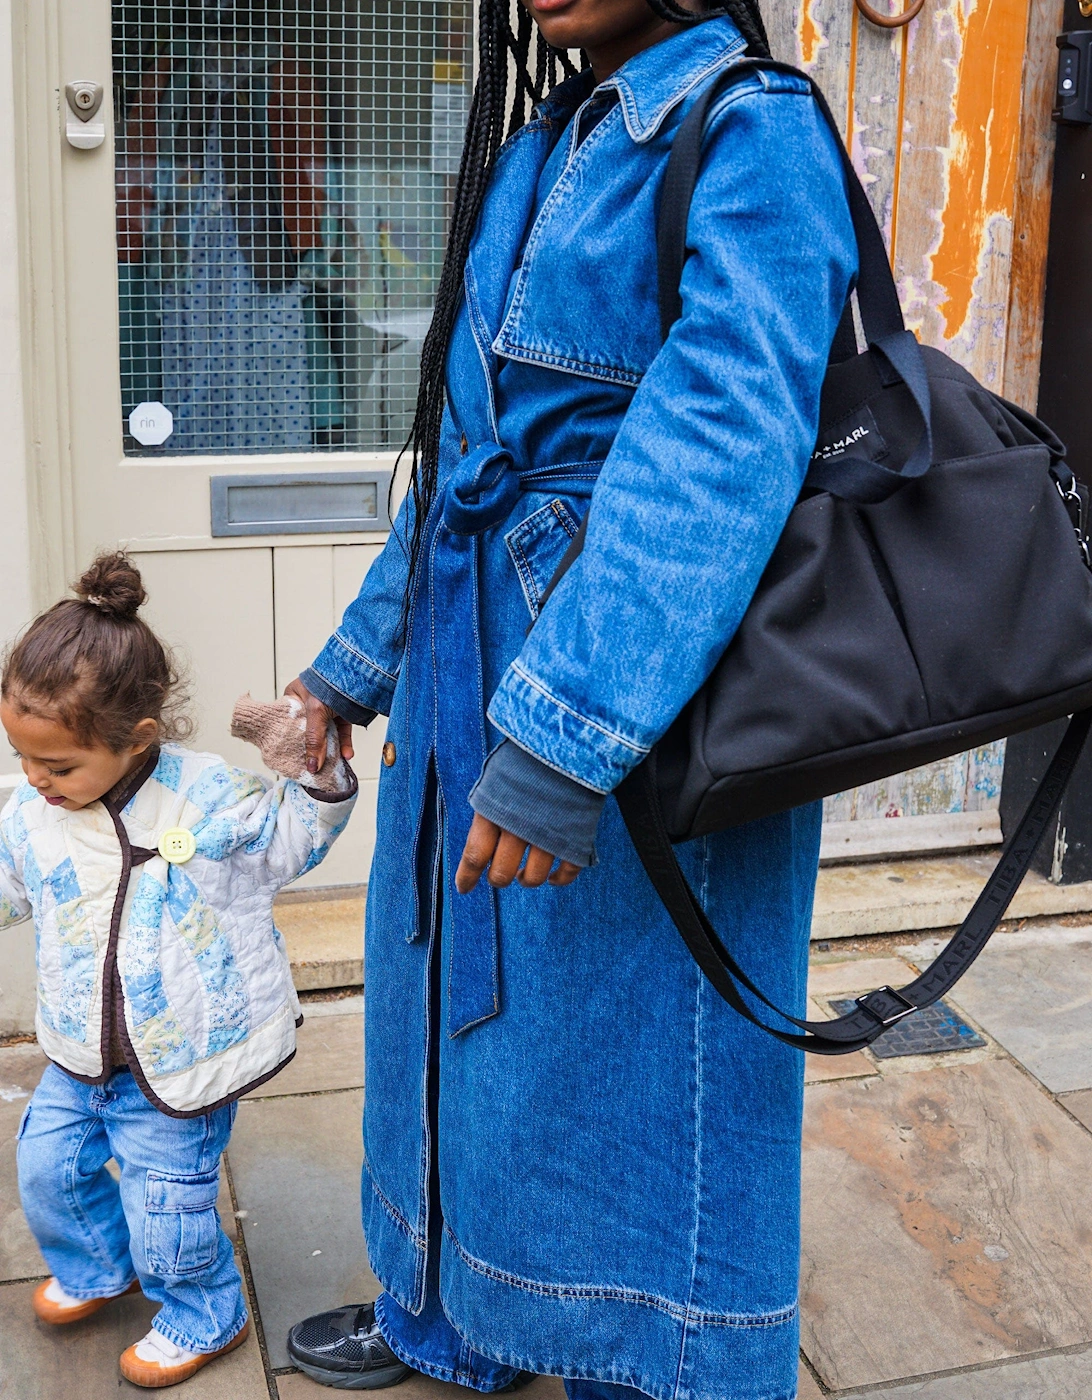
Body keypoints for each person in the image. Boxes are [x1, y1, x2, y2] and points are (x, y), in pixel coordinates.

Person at [286, 0, 856, 1397]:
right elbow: (467, 455)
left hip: (633, 696)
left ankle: (635, 1363)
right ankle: (457, 1311)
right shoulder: (547, 135)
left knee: (628, 1080)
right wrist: (349, 674)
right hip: (466, 675)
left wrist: (562, 738)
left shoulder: (753, 133)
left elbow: (722, 443)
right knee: (463, 1028)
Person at [0, 554, 357, 1388]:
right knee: (47, 1168)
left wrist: (312, 773)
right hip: (79, 1052)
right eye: (23, 759)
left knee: (170, 1207)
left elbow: (291, 840)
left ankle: (206, 1313)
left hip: (185, 1060)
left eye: (57, 767)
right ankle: (96, 1268)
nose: (36, 782)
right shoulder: (31, 813)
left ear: (138, 742)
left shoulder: (207, 801)